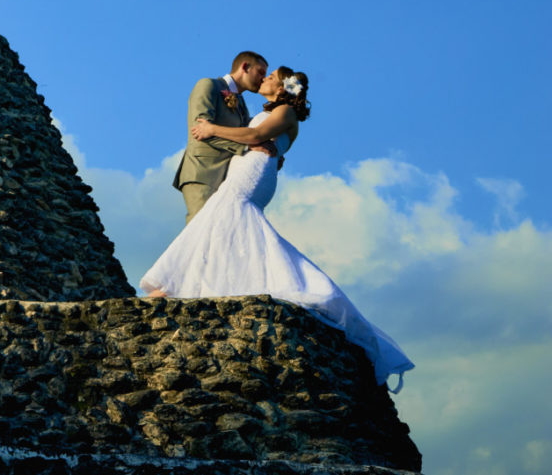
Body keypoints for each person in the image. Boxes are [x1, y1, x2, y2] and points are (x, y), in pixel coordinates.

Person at [140, 68, 414, 389]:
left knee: (227, 216)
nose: (265, 78)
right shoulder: (272, 112)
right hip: (250, 165)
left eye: (270, 76)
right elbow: (258, 139)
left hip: (253, 172)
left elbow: (256, 138)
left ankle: (175, 286)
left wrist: (211, 128)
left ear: (282, 86)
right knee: (222, 223)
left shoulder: (284, 112)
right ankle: (181, 284)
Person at [173, 51, 272, 223]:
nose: (263, 79)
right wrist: (248, 148)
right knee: (200, 231)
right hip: (203, 172)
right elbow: (200, 131)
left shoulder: (241, 103)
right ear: (245, 67)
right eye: (260, 72)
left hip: (227, 178)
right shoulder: (208, 85)